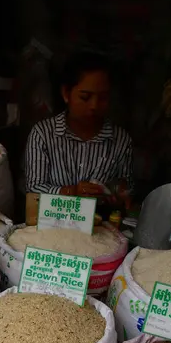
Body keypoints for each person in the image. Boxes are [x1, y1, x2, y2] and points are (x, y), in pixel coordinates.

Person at [25, 52, 133, 223]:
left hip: (100, 229)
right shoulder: (43, 134)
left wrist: (120, 193)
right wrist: (71, 192)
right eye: (85, 97)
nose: (94, 106)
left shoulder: (120, 140)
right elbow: (34, 188)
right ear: (66, 94)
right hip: (53, 223)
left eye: (103, 98)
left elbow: (125, 187)